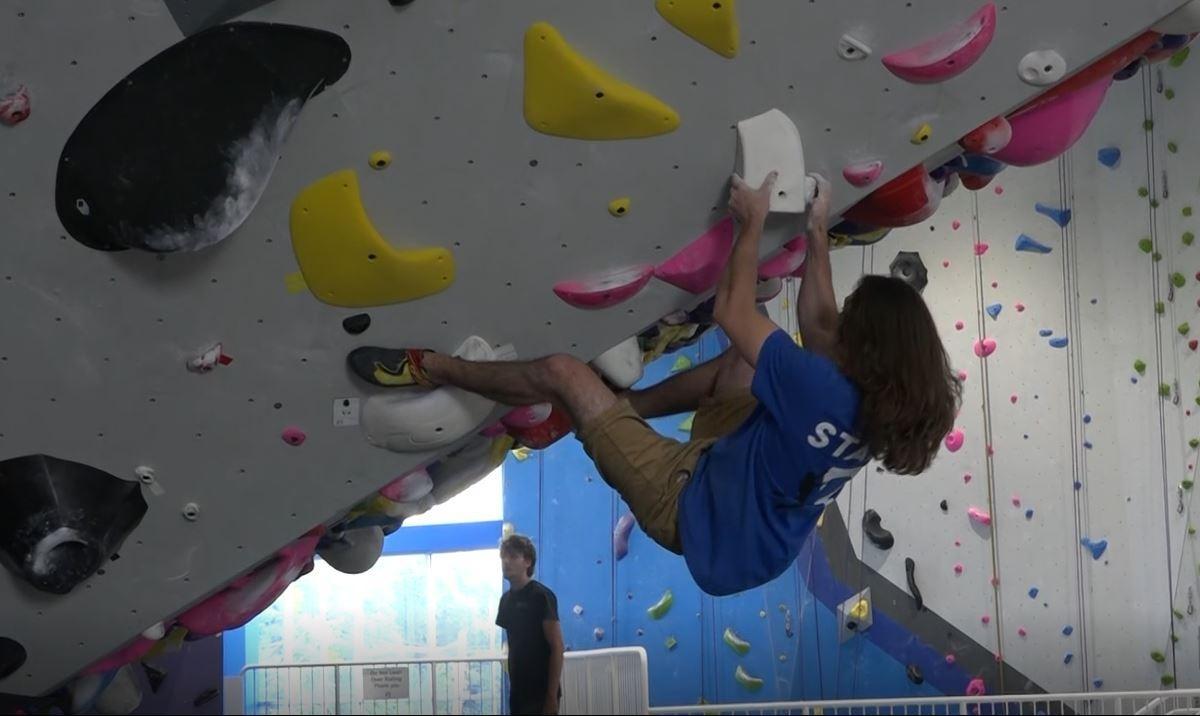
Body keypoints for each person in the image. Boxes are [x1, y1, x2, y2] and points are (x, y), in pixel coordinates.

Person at [367, 172, 961, 596]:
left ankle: (431, 366)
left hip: (694, 511)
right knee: (745, 366)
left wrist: (750, 222)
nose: (841, 324)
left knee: (563, 373)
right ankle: (618, 408)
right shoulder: (873, 407)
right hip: (748, 512)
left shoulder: (823, 391)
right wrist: (817, 227)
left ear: (868, 346)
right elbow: (823, 324)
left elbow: (732, 310)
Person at [495, 534, 564, 715]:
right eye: (503, 557)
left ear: (527, 561)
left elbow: (557, 646)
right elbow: (514, 646)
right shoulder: (505, 602)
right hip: (518, 692)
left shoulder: (542, 597)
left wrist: (551, 696)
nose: (506, 562)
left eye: (513, 556)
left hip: (541, 693)